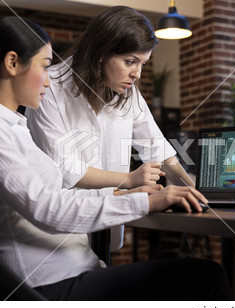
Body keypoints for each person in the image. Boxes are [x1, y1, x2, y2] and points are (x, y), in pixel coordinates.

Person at [0, 16, 231, 301]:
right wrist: (144, 199)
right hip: (49, 285)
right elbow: (49, 208)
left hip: (70, 271)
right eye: (44, 67)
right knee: (209, 277)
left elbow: (57, 196)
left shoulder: (10, 126)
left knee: (198, 276)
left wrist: (127, 195)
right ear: (12, 63)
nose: (48, 78)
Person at [25, 6, 197, 250]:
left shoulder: (127, 93)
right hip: (62, 231)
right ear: (101, 53)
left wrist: (196, 194)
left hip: (106, 222)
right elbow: (66, 170)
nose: (137, 73)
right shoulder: (50, 88)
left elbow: (158, 150)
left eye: (142, 63)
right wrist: (129, 179)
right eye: (130, 62)